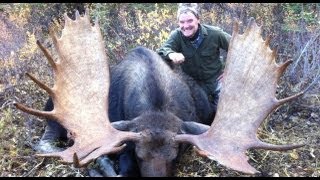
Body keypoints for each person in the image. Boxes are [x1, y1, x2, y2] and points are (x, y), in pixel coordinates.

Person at [157, 3, 231, 121]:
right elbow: (162, 51)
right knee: (193, 118)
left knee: (226, 114)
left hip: (216, 81)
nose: (186, 26)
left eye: (190, 21)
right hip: (193, 85)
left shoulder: (215, 34)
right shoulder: (177, 36)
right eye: (182, 22)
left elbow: (238, 48)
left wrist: (230, 71)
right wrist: (171, 54)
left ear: (198, 20)